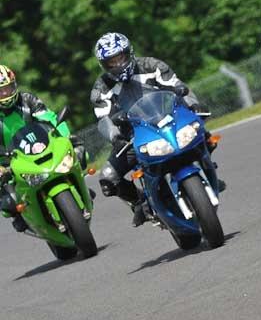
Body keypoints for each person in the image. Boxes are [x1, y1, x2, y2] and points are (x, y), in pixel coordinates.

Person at [90, 32, 217, 227]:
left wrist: (194, 105)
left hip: (169, 121)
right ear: (103, 65)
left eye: (120, 58)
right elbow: (103, 118)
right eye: (111, 62)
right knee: (108, 178)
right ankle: (140, 202)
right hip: (133, 137)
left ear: (129, 53)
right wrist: (115, 136)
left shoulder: (152, 65)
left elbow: (179, 86)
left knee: (203, 134)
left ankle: (208, 168)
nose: (117, 65)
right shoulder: (102, 88)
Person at [0, 64, 80, 232]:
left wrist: (63, 134)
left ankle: (78, 184)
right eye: (1, 91)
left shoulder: (28, 99)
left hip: (42, 147)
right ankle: (20, 216)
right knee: (8, 201)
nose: (6, 94)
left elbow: (48, 117)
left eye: (8, 89)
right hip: (11, 160)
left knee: (78, 150)